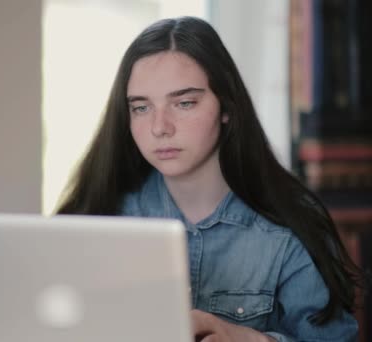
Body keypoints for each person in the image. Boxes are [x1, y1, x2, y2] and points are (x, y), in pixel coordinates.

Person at [57, 16, 363, 341]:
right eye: (141, 108)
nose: (160, 127)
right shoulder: (102, 215)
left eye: (184, 103)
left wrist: (248, 337)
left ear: (226, 108)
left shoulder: (288, 226)